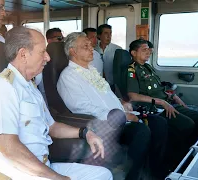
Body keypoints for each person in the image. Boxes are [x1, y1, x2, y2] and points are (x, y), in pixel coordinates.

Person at [0, 26, 112, 180]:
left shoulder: (30, 87)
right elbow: (9, 148)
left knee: (103, 175)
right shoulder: (2, 88)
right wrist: (57, 177)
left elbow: (52, 127)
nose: (48, 57)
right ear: (23, 54)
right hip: (16, 172)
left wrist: (86, 133)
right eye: (42, 52)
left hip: (42, 167)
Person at [57, 32, 168, 180]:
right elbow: (80, 107)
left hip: (121, 114)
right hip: (105, 124)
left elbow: (105, 97)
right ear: (72, 51)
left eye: (91, 45)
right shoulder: (68, 76)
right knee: (141, 132)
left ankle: (154, 172)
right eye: (86, 46)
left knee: (159, 123)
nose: (91, 49)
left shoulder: (92, 71)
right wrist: (120, 116)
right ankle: (132, 177)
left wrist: (122, 103)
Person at [126, 39, 198, 170]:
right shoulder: (132, 70)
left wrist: (172, 96)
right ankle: (173, 158)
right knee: (187, 125)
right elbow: (132, 96)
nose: (148, 53)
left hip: (166, 102)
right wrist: (160, 102)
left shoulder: (147, 67)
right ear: (134, 53)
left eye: (149, 50)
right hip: (154, 108)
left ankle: (187, 153)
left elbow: (157, 89)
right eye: (144, 50)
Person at [95, 24, 122, 90]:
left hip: (113, 85)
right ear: (99, 35)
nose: (109, 36)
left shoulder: (117, 49)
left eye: (110, 33)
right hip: (97, 85)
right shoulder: (94, 49)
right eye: (106, 33)